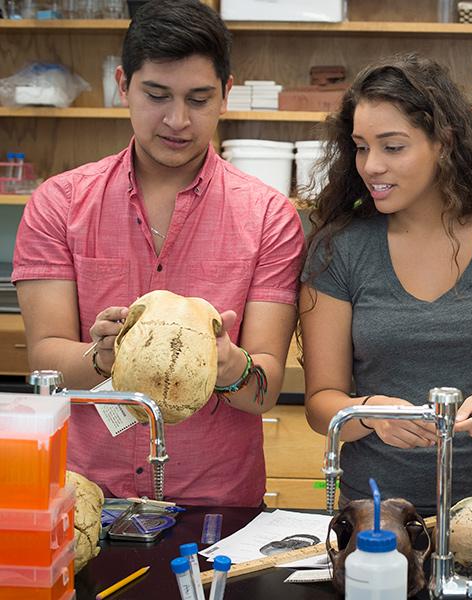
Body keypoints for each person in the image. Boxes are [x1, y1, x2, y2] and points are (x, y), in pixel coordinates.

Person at [12, 0, 303, 507]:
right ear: (124, 85)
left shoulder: (269, 216)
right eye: (156, 94)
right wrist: (100, 357)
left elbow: (266, 388)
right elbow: (45, 359)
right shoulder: (59, 204)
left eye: (199, 98)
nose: (177, 120)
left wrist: (232, 366)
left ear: (226, 94)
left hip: (217, 501)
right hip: (87, 495)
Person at [299, 53, 472, 515]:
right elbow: (320, 403)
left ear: (443, 143)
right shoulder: (340, 248)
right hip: (376, 511)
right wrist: (368, 413)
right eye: (361, 147)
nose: (370, 166)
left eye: (392, 147)